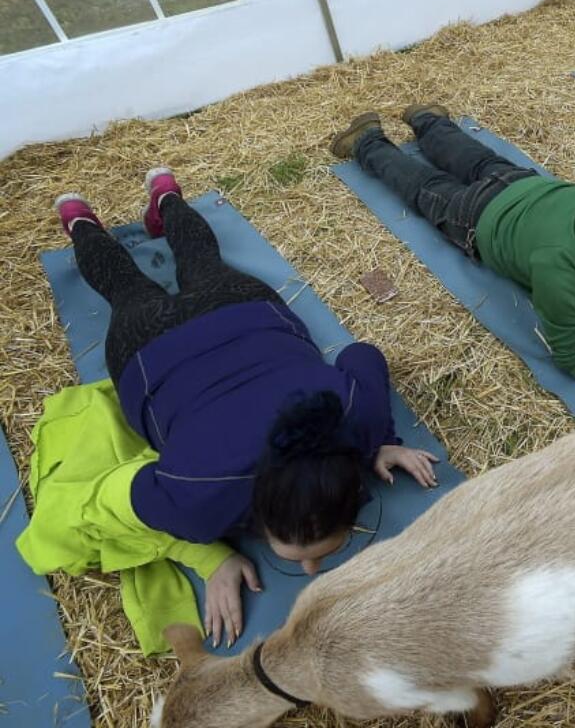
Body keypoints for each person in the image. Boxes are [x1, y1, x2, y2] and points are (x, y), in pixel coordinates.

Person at [51, 169, 439, 647]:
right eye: (303, 554)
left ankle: (149, 200)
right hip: (149, 353)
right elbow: (114, 496)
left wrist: (376, 435)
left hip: (239, 313)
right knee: (130, 289)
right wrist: (212, 557)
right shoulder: (197, 501)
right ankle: (89, 221)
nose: (311, 569)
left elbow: (362, 354)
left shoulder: (354, 414)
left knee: (181, 265)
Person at [328, 106, 575, 412]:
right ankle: (366, 140)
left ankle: (428, 120)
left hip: (522, 183)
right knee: (422, 185)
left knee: (472, 156)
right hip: (476, 217)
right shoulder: (563, 271)